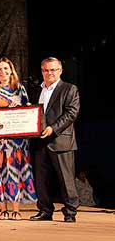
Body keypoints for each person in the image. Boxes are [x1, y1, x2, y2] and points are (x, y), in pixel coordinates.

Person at [0, 57, 36, 220]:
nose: (3, 72)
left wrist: (28, 110)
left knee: (15, 172)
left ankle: (16, 210)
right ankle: (2, 209)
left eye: (6, 68)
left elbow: (27, 110)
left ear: (11, 70)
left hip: (17, 141)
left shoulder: (20, 89)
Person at [30, 57, 81, 222]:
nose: (49, 73)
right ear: (42, 71)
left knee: (66, 180)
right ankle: (45, 210)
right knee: (41, 179)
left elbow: (72, 113)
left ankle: (70, 212)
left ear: (60, 71)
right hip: (39, 141)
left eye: (53, 70)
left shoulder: (69, 89)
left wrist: (53, 128)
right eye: (45, 70)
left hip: (61, 140)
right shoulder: (37, 90)